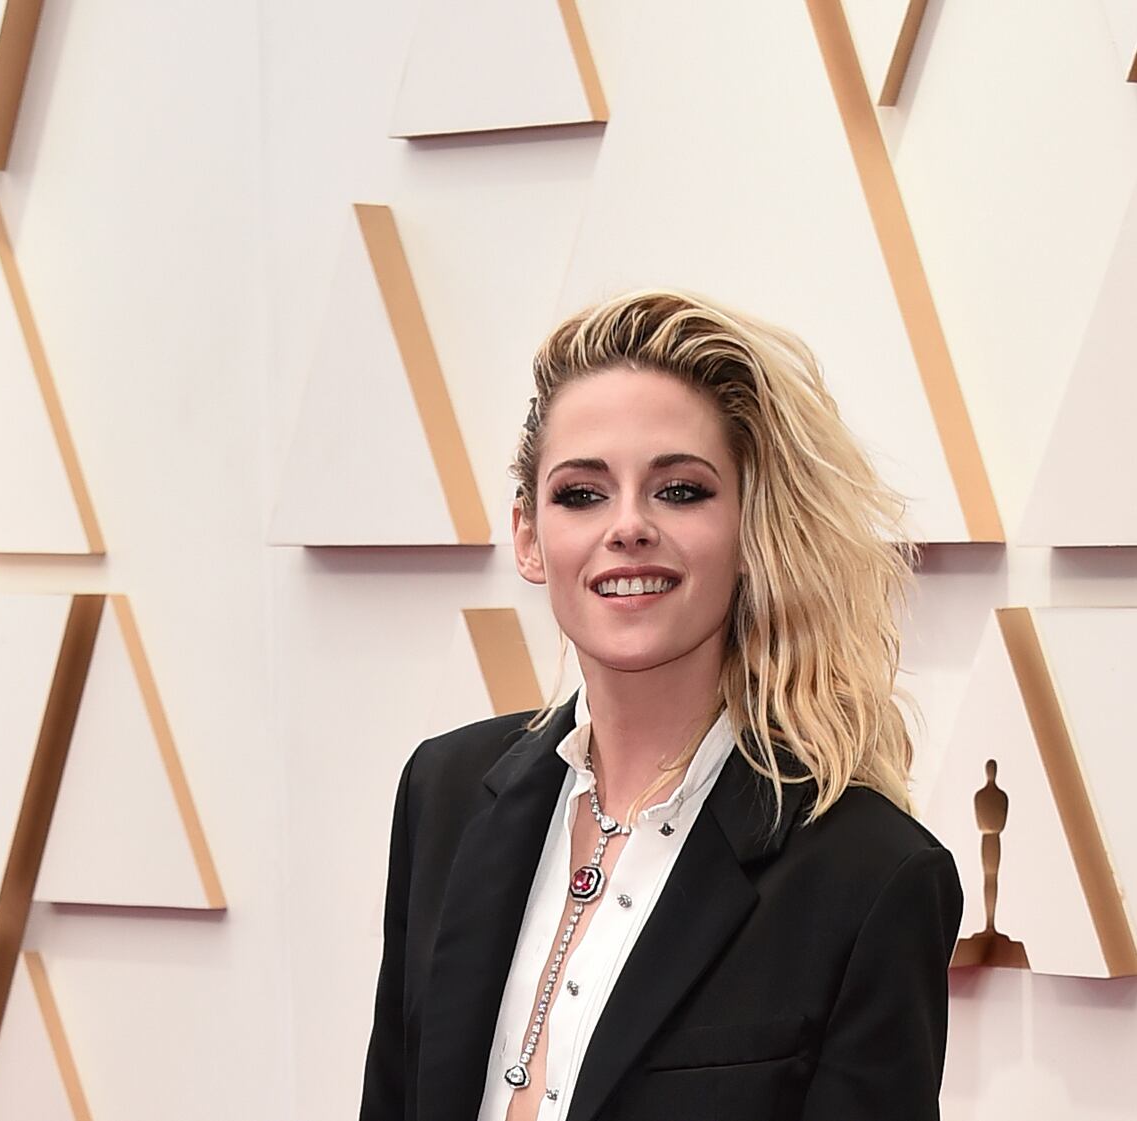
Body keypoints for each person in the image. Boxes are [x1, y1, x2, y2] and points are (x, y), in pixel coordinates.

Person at [359, 290, 962, 1121]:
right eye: (581, 493)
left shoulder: (870, 874)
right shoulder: (444, 792)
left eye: (679, 490)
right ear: (529, 536)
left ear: (751, 530)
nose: (628, 526)